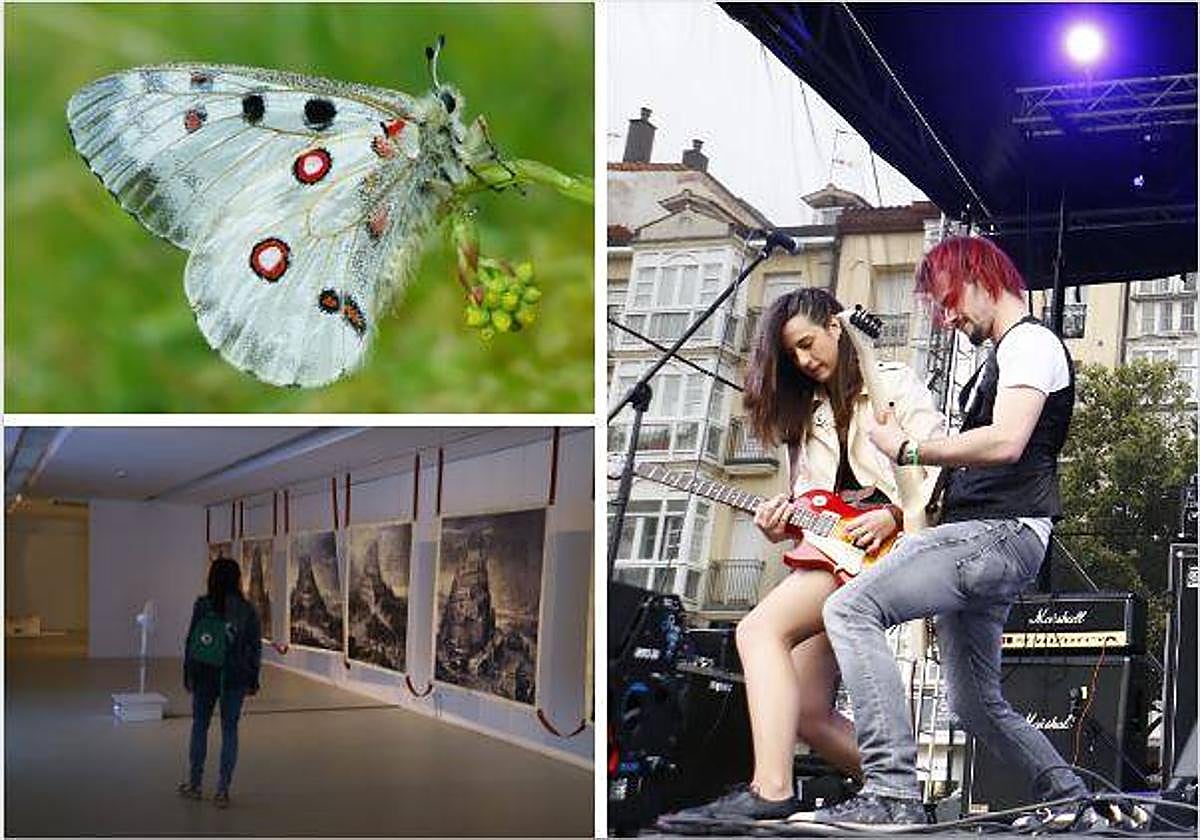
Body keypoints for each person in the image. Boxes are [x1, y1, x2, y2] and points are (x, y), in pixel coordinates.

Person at [815, 236, 1101, 829]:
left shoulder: (1030, 343)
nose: (946, 317)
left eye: (947, 301)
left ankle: (891, 793)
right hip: (983, 538)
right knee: (975, 706)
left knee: (849, 608)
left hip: (998, 534)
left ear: (979, 276)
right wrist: (897, 455)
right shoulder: (1001, 357)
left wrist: (913, 446)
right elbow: (955, 461)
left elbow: (1007, 440)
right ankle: (1074, 805)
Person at [657, 287, 944, 827]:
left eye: (808, 344)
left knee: (757, 631)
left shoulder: (894, 385)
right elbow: (812, 511)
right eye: (792, 355)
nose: (805, 361)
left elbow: (939, 466)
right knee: (810, 714)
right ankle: (906, 799)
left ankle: (769, 790)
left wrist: (893, 516)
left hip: (889, 548)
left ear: (836, 327)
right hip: (829, 556)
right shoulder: (807, 419)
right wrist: (775, 526)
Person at [178, 556, 262, 808]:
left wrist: (188, 674)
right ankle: (222, 791)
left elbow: (191, 642)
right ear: (237, 579)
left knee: (200, 726)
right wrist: (253, 678)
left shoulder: (203, 605)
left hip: (205, 674)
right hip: (235, 678)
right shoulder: (247, 610)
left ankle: (194, 784)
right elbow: (254, 647)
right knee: (229, 731)